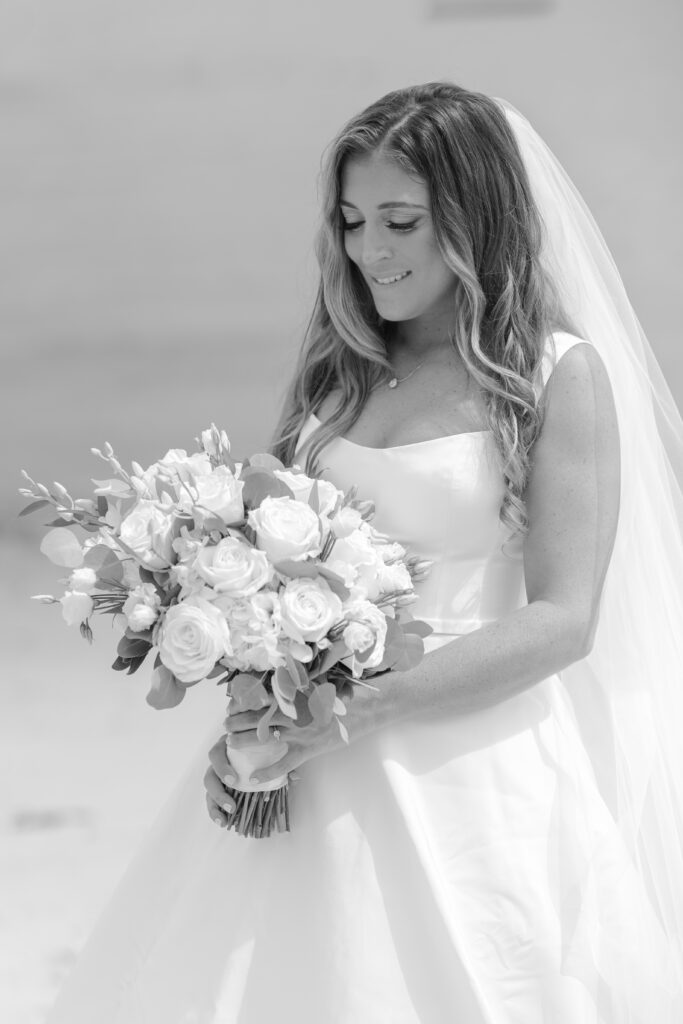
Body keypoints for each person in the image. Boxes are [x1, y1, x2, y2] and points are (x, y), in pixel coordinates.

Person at [46, 83, 683, 1023]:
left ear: (475, 217)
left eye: (401, 221)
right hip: (308, 755)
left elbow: (563, 619)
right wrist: (250, 717)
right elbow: (270, 572)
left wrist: (355, 712)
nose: (369, 252)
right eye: (351, 220)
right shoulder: (340, 367)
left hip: (477, 763)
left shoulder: (553, 376)